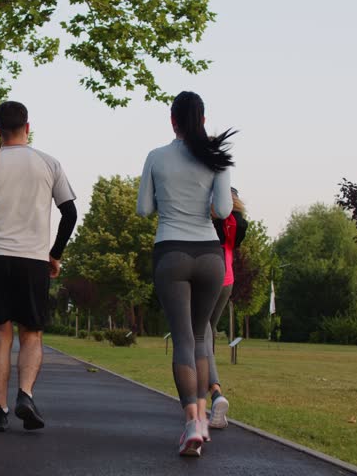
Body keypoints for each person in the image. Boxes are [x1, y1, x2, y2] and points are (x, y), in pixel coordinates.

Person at [137, 91, 235, 457]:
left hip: (171, 251)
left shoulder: (156, 157)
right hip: (210, 255)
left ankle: (193, 421)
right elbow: (224, 210)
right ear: (204, 120)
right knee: (199, 335)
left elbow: (144, 209)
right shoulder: (217, 159)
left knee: (181, 339)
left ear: (172, 120)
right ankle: (204, 412)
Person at [0, 101, 78, 433]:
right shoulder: (48, 163)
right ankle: (26, 394)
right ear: (27, 127)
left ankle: (0, 408)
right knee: (31, 333)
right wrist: (55, 253)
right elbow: (70, 213)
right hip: (33, 258)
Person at [207, 188, 248, 433]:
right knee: (207, 332)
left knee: (200, 335)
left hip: (208, 277)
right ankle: (209, 396)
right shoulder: (236, 221)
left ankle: (214, 393)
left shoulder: (211, 218)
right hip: (227, 281)